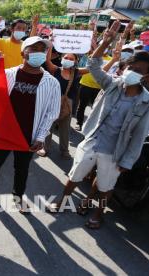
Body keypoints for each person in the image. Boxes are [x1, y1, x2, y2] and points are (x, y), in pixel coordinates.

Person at [49, 21, 149, 229]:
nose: (131, 72)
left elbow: (139, 136)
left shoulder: (146, 102)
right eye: (130, 67)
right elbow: (94, 64)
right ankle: (63, 200)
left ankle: (98, 211)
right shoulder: (112, 84)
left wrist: (128, 161)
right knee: (75, 174)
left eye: (137, 70)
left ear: (146, 76)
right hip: (93, 141)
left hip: (115, 151)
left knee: (106, 185)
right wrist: (106, 42)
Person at [0, 36, 61, 213]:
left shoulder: (52, 83)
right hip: (4, 130)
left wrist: (40, 137)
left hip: (29, 134)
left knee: (22, 168)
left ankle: (18, 197)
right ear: (23, 52)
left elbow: (51, 113)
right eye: (34, 49)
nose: (38, 52)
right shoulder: (7, 74)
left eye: (42, 49)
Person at [38, 49, 88, 158]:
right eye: (66, 57)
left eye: (71, 59)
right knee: (48, 126)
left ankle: (64, 150)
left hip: (67, 105)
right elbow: (47, 59)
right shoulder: (55, 69)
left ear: (75, 62)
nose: (68, 60)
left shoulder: (77, 72)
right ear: (61, 58)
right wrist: (50, 46)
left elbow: (92, 68)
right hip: (52, 102)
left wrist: (94, 50)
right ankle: (44, 147)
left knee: (65, 128)